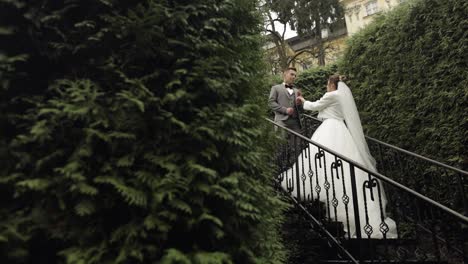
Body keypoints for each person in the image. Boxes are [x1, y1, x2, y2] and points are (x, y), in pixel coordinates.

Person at [283, 74, 397, 239]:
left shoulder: (332, 95)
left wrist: (302, 100)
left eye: (327, 83)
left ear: (331, 84)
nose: (326, 86)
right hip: (342, 130)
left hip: (330, 129)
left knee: (322, 160)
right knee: (342, 164)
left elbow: (314, 106)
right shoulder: (341, 97)